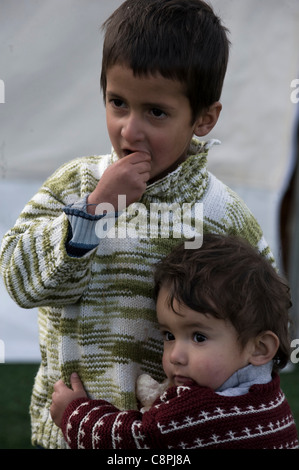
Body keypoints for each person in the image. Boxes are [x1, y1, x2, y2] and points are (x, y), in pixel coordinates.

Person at [0, 0, 275, 449]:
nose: (129, 130)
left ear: (203, 118)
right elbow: (19, 282)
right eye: (118, 103)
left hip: (173, 441)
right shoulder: (74, 187)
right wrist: (92, 212)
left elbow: (262, 326)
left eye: (156, 113)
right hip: (70, 431)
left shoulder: (221, 214)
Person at [50, 234, 299, 449]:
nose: (174, 356)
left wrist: (73, 414)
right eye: (169, 336)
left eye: (199, 337)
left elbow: (135, 439)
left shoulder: (199, 413)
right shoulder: (269, 398)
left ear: (260, 348)